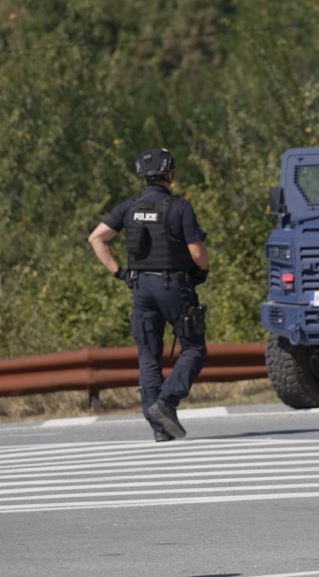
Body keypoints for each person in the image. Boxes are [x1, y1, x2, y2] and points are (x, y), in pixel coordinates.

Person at [88, 148, 210, 442]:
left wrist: (121, 273)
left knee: (149, 356)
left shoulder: (129, 207)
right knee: (194, 348)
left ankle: (160, 429)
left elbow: (96, 238)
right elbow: (197, 253)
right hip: (173, 287)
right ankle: (166, 402)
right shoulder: (180, 207)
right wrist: (203, 269)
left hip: (141, 289)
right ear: (169, 173)